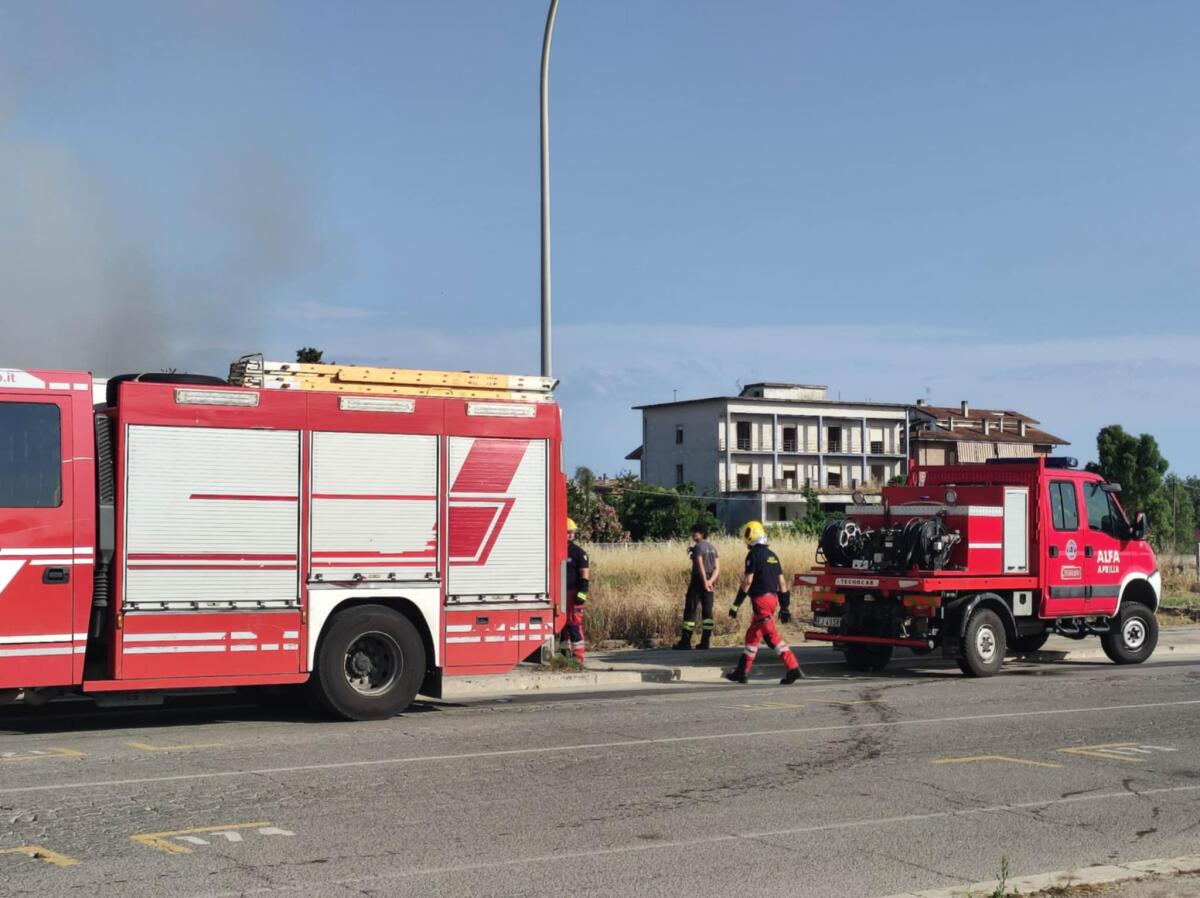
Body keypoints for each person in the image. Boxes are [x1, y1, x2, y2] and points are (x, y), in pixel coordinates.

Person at [725, 520, 804, 684]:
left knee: (771, 637)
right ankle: (742, 671)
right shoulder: (773, 556)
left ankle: (793, 668)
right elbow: (782, 583)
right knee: (752, 636)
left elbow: (748, 581)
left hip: (760, 601)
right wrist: (785, 607)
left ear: (750, 536)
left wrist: (735, 605)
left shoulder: (753, 555)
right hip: (773, 600)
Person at [673, 525, 719, 650]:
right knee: (707, 612)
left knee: (690, 610)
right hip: (710, 581)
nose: (693, 534)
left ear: (702, 533)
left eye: (695, 532)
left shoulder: (698, 548)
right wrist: (710, 581)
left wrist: (704, 582)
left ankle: (685, 642)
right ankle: (705, 642)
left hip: (699, 580)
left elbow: (700, 566)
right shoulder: (713, 548)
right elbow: (717, 568)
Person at [563, 517, 590, 665]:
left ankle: (578, 659)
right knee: (562, 625)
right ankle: (564, 655)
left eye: (572, 532)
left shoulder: (578, 553)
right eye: (568, 532)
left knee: (573, 624)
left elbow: (584, 576)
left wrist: (581, 594)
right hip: (560, 594)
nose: (570, 535)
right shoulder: (556, 549)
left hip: (573, 593)